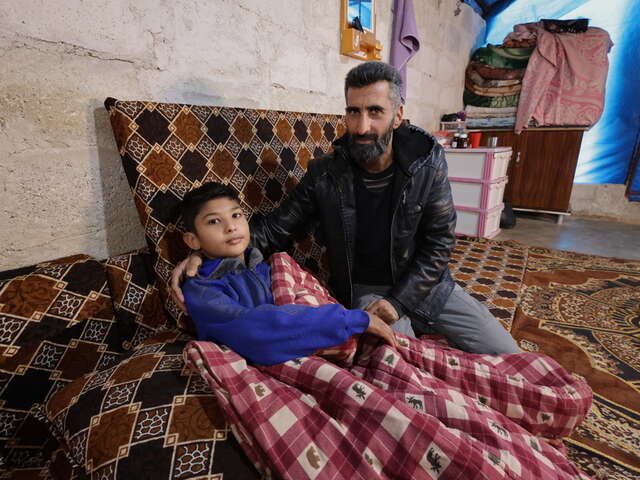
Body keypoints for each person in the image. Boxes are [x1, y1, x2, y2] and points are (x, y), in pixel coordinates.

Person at [173, 61, 520, 355]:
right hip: (366, 290)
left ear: (398, 115)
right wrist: (206, 256)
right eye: (354, 111)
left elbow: (440, 243)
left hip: (427, 285)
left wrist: (401, 302)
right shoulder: (325, 175)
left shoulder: (427, 164)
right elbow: (274, 229)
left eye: (375, 112)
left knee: (508, 355)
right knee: (413, 373)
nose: (362, 126)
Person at [179, 181, 396, 365]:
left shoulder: (268, 268)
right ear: (192, 240)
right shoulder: (202, 288)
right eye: (214, 221)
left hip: (336, 331)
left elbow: (311, 298)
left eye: (236, 215)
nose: (231, 227)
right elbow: (257, 330)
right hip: (286, 355)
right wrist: (351, 320)